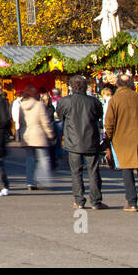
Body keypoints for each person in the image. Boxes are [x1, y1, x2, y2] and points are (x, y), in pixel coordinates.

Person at [56, 74, 107, 210]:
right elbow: (98, 116)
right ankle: (96, 200)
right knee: (93, 171)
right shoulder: (94, 101)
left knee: (76, 172)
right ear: (85, 86)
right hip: (91, 139)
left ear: (71, 87)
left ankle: (79, 200)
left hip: (73, 140)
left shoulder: (65, 101)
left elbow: (60, 116)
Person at [103, 75, 138, 211]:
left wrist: (110, 138)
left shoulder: (114, 100)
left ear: (118, 84)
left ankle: (132, 202)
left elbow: (109, 123)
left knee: (127, 170)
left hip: (122, 140)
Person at [18, 86, 55, 190]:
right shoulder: (39, 105)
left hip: (27, 135)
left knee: (30, 160)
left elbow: (21, 121)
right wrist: (50, 134)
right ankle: (43, 178)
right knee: (43, 159)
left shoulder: (22, 106)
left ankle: (30, 182)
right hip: (38, 135)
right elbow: (45, 122)